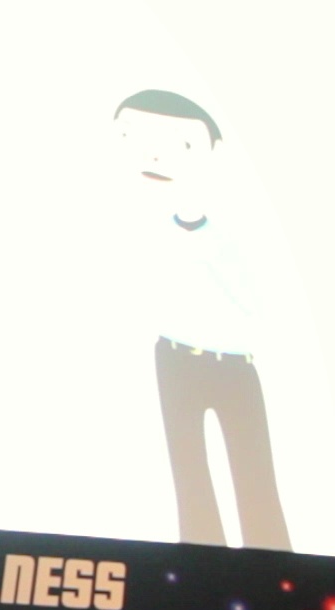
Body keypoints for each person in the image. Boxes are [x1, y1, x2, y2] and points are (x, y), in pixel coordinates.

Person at [114, 89, 290, 550]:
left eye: (182, 144)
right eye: (131, 137)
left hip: (233, 364)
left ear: (214, 152)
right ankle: (200, 560)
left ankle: (275, 562)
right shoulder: (139, 225)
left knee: (253, 473)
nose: (153, 155)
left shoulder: (237, 232)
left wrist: (195, 230)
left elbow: (258, 305)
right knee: (187, 468)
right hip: (173, 357)